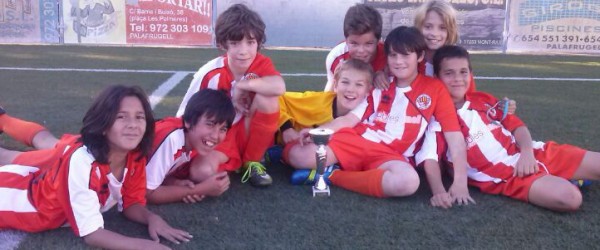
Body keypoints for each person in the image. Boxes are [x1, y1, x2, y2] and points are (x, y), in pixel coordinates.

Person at [288, 26, 473, 204]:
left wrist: (460, 183)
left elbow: (454, 137)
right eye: (393, 55)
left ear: (420, 56)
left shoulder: (435, 89)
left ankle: (331, 175)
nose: (398, 61)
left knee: (408, 182)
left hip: (390, 155)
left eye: (405, 55)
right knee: (298, 156)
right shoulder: (381, 84)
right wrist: (318, 132)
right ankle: (328, 165)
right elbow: (350, 119)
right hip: (357, 141)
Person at [0, 85, 191, 249]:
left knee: (35, 148)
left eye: (139, 117)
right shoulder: (83, 162)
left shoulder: (134, 155)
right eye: (121, 117)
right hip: (16, 199)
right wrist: (141, 245)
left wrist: (152, 218)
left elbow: (131, 203)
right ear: (103, 124)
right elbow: (92, 234)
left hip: (36, 181)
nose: (133, 124)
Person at [417, 45, 600, 212]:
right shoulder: (437, 118)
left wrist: (527, 153)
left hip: (535, 153)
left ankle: (566, 177)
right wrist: (439, 191)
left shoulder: (482, 99)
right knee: (570, 199)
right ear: (437, 77)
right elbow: (430, 159)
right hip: (507, 176)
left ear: (471, 74)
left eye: (463, 72)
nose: (458, 79)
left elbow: (517, 126)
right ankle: (568, 181)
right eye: (449, 73)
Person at [176, 4, 285, 187]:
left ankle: (253, 162)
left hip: (247, 132)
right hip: (218, 138)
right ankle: (231, 162)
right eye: (235, 43)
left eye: (250, 43)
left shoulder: (260, 63)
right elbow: (185, 115)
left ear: (258, 42)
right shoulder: (210, 73)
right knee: (200, 173)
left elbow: (279, 86)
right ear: (222, 44)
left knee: (268, 97)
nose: (243, 51)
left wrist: (244, 84)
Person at [277, 58, 373, 170]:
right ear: (336, 85)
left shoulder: (367, 117)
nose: (351, 89)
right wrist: (286, 127)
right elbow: (277, 96)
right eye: (345, 82)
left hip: (301, 149)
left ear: (368, 90)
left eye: (359, 85)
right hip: (272, 135)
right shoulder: (317, 101)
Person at [323, 3, 386, 91]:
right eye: (354, 43)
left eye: (368, 43)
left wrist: (385, 74)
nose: (361, 50)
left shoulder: (389, 56)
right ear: (346, 39)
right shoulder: (336, 57)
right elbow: (331, 93)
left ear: (378, 40)